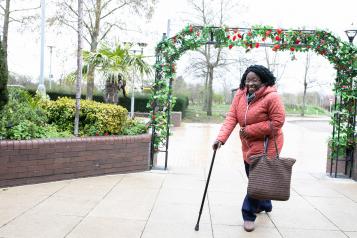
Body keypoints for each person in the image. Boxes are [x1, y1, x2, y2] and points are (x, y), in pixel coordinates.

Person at [212, 65, 285, 232]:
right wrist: (220, 139)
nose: (250, 83)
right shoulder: (240, 95)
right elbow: (231, 117)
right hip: (248, 146)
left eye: (255, 80)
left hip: (267, 146)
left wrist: (249, 130)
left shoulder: (272, 97)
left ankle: (248, 214)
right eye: (248, 79)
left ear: (264, 80)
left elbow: (278, 122)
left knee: (256, 182)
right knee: (254, 178)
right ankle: (265, 202)